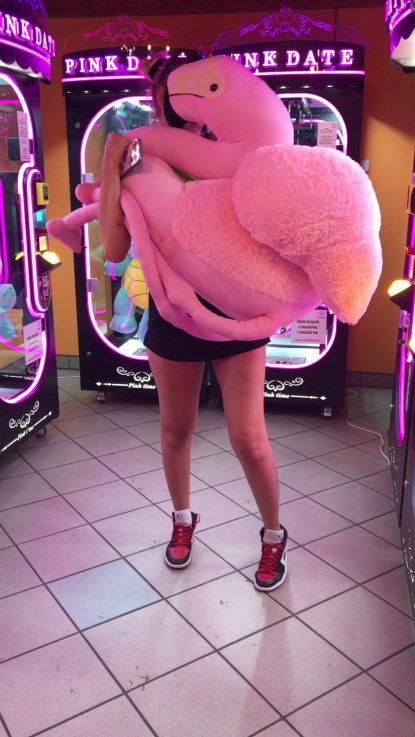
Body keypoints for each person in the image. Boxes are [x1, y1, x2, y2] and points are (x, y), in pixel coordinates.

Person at [98, 51, 288, 592]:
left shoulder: (240, 153)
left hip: (235, 316)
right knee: (175, 430)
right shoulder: (142, 163)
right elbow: (113, 248)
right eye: (167, 94)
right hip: (172, 316)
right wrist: (110, 166)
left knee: (248, 438)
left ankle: (274, 535)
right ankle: (182, 520)